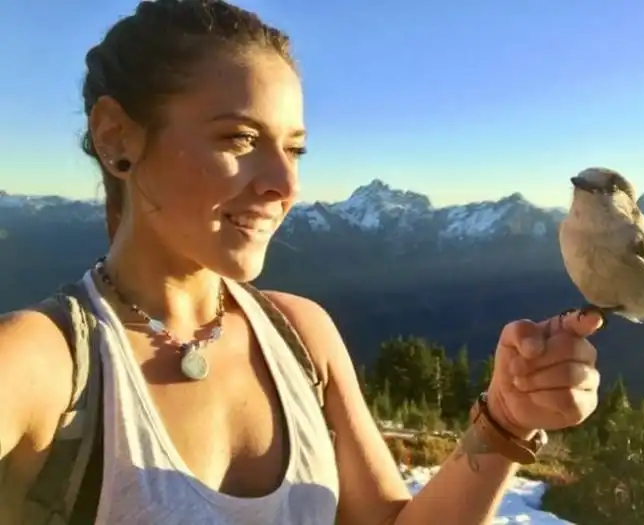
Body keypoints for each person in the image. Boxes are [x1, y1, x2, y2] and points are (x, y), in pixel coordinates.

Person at [0, 1, 602, 524]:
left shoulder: (303, 337)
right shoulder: (40, 367)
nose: (285, 184)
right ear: (116, 137)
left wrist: (505, 419)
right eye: (239, 138)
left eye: (295, 149)